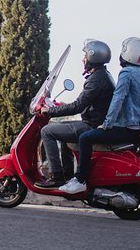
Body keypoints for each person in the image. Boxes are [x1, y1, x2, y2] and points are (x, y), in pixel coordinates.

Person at [60, 37, 140, 194]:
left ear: (127, 54)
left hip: (127, 128)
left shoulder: (126, 73)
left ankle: (80, 180)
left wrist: (107, 124)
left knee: (85, 138)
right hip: (136, 128)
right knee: (87, 136)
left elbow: (118, 99)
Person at [34, 39, 115, 189]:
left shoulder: (97, 79)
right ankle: (68, 175)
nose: (83, 59)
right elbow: (87, 103)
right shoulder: (103, 75)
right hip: (95, 122)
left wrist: (50, 111)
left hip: (91, 126)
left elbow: (78, 106)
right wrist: (64, 106)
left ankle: (56, 176)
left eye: (85, 56)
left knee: (47, 131)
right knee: (62, 129)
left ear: (93, 57)